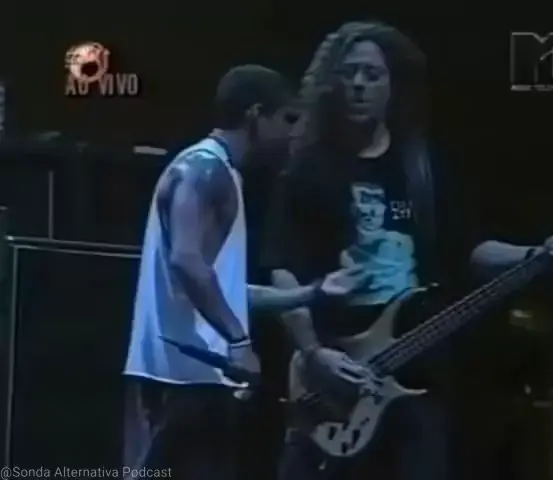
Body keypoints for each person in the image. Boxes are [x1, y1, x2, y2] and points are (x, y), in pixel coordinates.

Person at [263, 22, 553, 480]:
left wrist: (536, 253)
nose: (359, 84)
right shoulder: (307, 170)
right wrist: (314, 352)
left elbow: (469, 249)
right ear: (331, 84)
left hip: (418, 373)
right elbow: (282, 271)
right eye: (349, 73)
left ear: (393, 85)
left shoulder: (421, 166)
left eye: (372, 74)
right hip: (338, 376)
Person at [122, 64, 368, 480]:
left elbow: (219, 287)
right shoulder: (206, 170)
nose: (293, 133)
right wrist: (239, 341)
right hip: (182, 380)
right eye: (287, 119)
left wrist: (310, 293)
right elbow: (186, 261)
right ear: (255, 115)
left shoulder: (217, 172)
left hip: (193, 381)